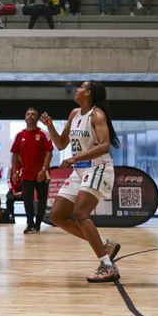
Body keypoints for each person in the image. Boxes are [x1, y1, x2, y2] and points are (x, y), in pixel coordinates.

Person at [40, 81, 121, 283]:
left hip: (98, 168)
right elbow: (60, 144)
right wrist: (50, 126)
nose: (77, 89)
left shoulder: (97, 115)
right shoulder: (74, 114)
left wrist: (76, 158)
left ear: (88, 94)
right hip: (80, 171)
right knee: (57, 215)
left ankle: (107, 266)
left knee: (80, 214)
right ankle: (105, 245)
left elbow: (104, 147)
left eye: (81, 87)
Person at [10, 107, 53, 234]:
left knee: (42, 200)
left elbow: (49, 153)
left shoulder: (43, 134)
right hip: (27, 174)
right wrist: (14, 172)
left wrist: (43, 170)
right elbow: (15, 155)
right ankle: (30, 224)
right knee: (27, 199)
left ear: (37, 118)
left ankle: (38, 224)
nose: (30, 116)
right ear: (25, 117)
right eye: (28, 114)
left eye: (33, 114)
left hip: (42, 174)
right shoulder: (19, 135)